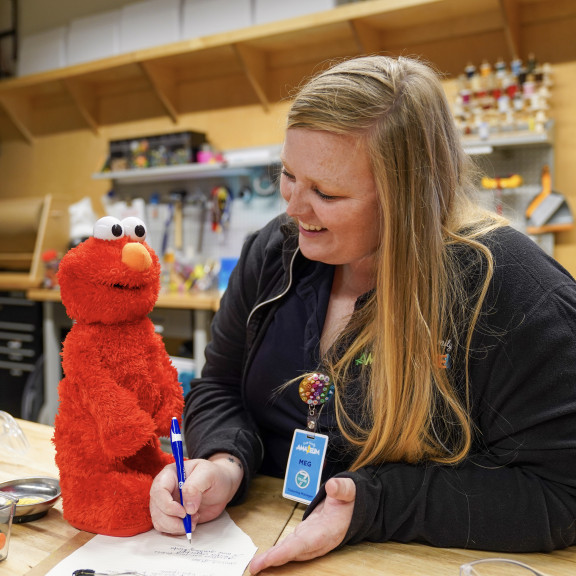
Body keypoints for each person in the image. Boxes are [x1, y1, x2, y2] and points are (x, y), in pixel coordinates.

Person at [149, 55, 576, 572]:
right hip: (260, 533)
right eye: (288, 176)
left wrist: (370, 505)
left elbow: (560, 495)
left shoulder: (513, 293)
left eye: (326, 193)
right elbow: (218, 385)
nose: (294, 209)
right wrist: (223, 462)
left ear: (409, 199)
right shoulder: (276, 252)